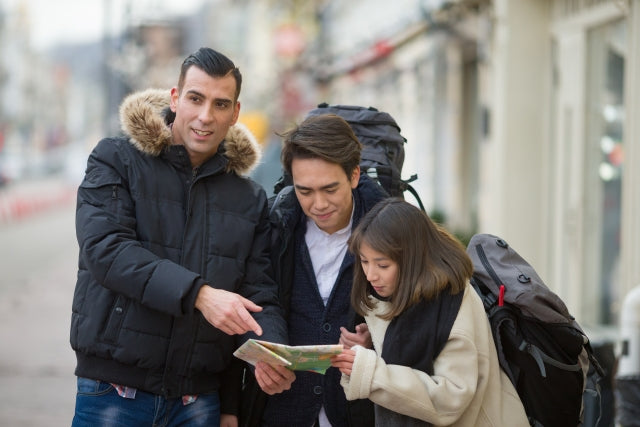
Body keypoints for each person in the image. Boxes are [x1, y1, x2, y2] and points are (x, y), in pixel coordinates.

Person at [70, 47, 292, 427]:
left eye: (221, 104)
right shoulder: (116, 159)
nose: (206, 116)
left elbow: (258, 292)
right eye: (195, 98)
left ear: (235, 113)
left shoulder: (248, 197)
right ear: (175, 99)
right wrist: (201, 296)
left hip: (198, 402)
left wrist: (269, 353)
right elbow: (106, 251)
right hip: (114, 391)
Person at [240, 113, 388, 426]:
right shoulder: (275, 226)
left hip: (360, 413)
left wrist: (377, 338)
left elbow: (419, 320)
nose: (318, 204)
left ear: (354, 175)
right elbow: (257, 297)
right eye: (304, 191)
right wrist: (267, 356)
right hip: (283, 411)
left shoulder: (393, 232)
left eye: (329, 189)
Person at [329, 198, 529, 426]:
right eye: (364, 261)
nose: (371, 274)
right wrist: (371, 345)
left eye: (382, 265)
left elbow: (451, 397)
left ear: (411, 260)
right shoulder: (395, 295)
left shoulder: (449, 299)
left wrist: (370, 372)